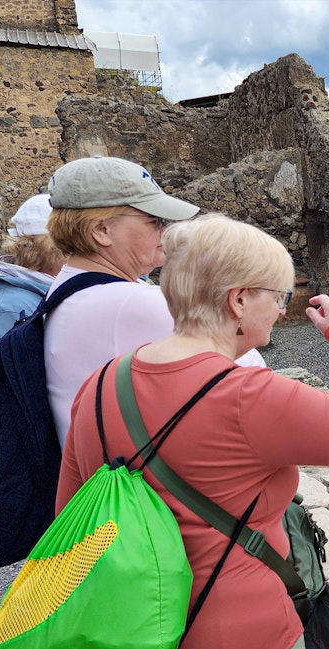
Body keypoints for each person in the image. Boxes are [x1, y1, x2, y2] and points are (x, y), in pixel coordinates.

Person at [56, 214, 329, 649]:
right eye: (279, 295)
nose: (284, 308)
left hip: (130, 626)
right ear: (239, 300)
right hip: (240, 629)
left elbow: (71, 515)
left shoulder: (102, 383)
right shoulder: (250, 395)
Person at [43, 155, 266, 448]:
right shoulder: (129, 303)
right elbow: (252, 370)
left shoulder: (69, 287)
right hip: (138, 487)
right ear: (102, 230)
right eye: (154, 220)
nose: (165, 231)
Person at [0, 194, 66, 358]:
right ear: (48, 250)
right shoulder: (6, 311)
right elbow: (7, 380)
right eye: (69, 248)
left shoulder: (50, 291)